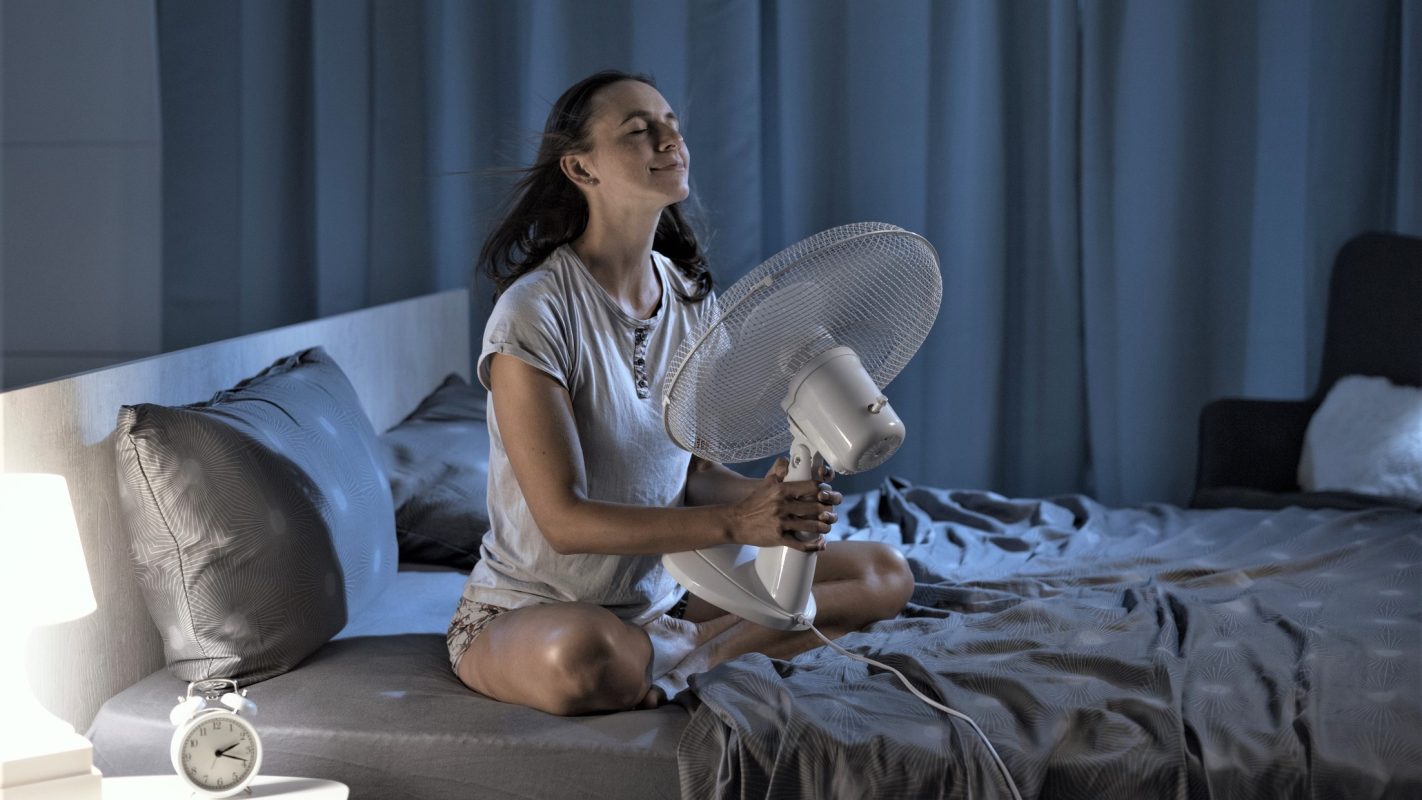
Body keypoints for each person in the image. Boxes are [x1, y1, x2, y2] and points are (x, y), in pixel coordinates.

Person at [449, 69, 915, 715]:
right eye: (640, 132)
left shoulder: (690, 298)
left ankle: (682, 654)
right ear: (581, 169)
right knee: (581, 662)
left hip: (662, 595)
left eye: (673, 126)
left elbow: (690, 470)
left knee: (885, 572)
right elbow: (562, 521)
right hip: (540, 610)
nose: (671, 141)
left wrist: (770, 504)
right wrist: (736, 524)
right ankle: (704, 651)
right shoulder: (534, 313)